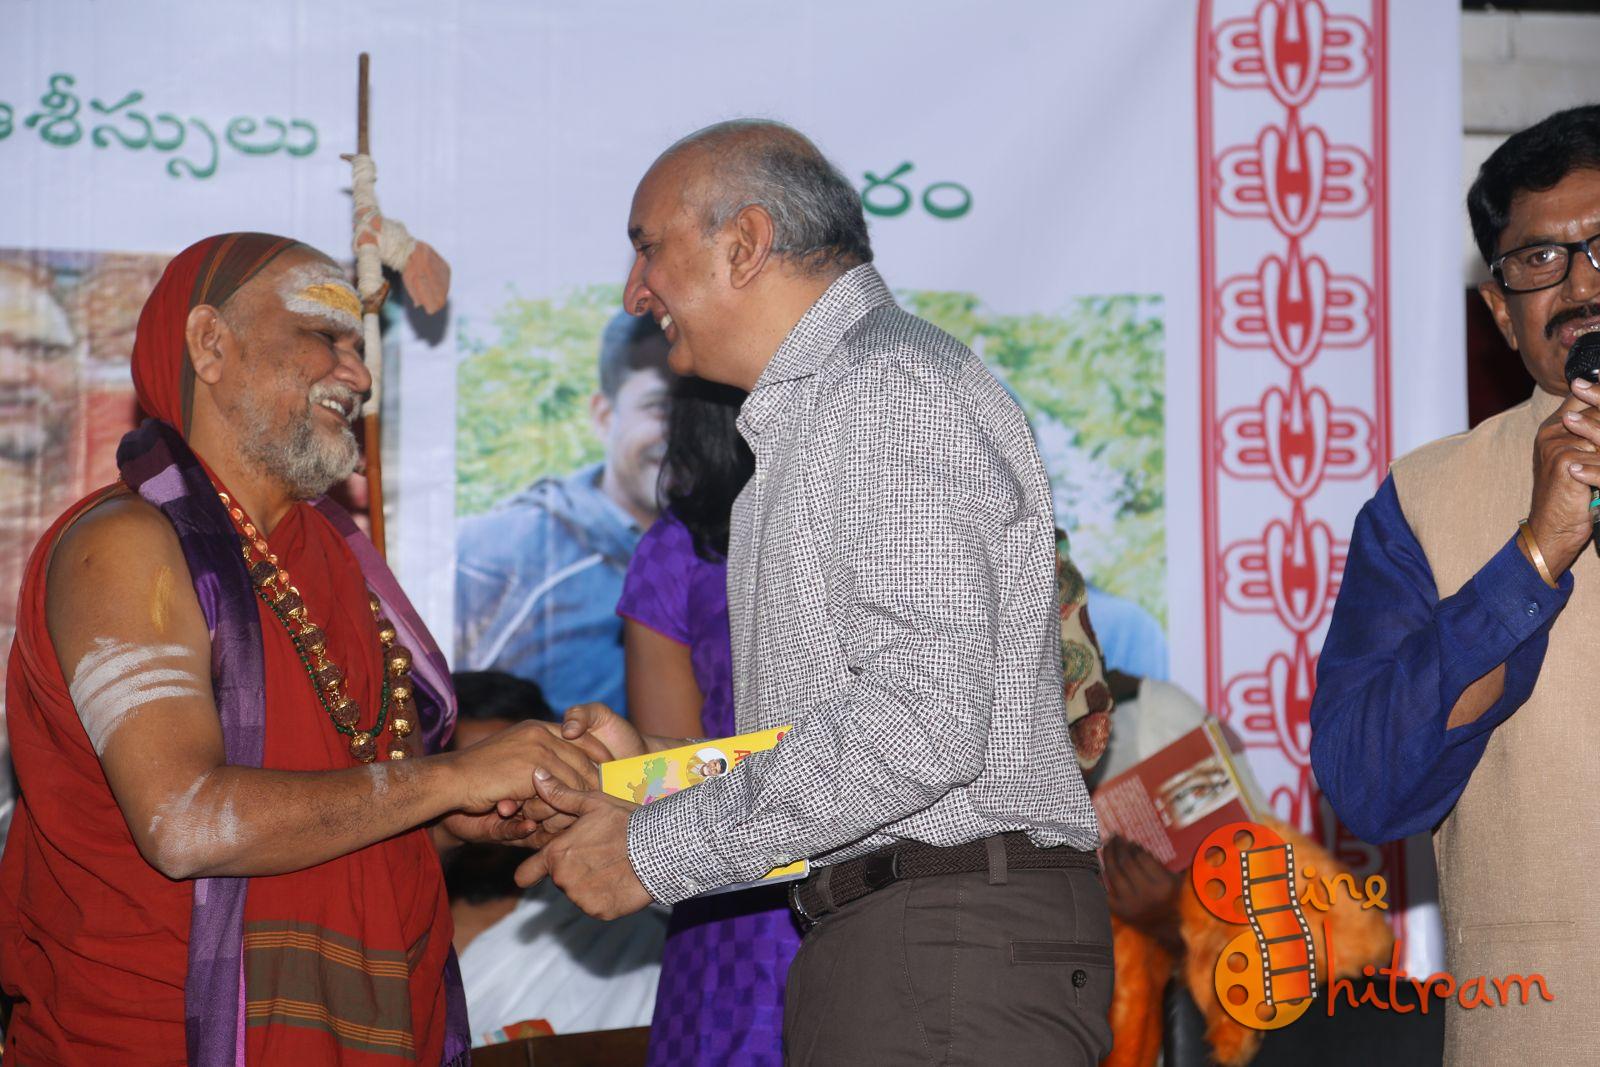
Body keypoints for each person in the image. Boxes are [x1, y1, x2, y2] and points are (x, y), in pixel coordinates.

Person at [516, 120, 1112, 1063]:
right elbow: (851, 738)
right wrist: (648, 781)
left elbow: (920, 722)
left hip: (940, 938)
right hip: (904, 936)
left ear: (745, 243)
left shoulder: (885, 390)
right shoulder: (819, 414)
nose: (635, 292)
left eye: (648, 247)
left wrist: (651, 852)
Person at [0, 233, 604, 1065]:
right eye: (325, 336)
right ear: (210, 344)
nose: (359, 375)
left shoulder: (332, 564)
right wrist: (448, 778)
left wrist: (446, 818)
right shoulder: (124, 547)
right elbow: (186, 821)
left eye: (360, 347)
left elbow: (340, 818)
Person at [1310, 105, 1600, 1063]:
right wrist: (1532, 558)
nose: (1581, 283)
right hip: (1547, 1026)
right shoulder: (1425, 498)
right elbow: (1369, 784)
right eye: (1540, 259)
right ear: (1500, 311)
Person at [615, 374, 796, 1066]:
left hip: (901, 889)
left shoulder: (900, 514)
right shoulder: (681, 548)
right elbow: (671, 781)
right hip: (740, 912)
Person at [455, 313, 673, 716]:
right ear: (603, 416)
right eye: (660, 408)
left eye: (701, 414)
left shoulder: (739, 548)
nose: (681, 434)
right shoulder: (497, 552)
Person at [443, 671, 664, 1042]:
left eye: (510, 782)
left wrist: (646, 773)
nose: (492, 807)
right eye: (468, 785)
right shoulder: (382, 935)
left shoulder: (624, 923)